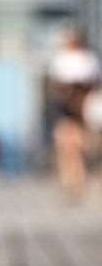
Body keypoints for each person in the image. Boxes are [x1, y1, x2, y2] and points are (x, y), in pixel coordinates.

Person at [48, 27, 101, 200]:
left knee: (78, 146)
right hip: (66, 108)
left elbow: (93, 84)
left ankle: (77, 180)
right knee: (67, 146)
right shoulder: (62, 59)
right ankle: (71, 181)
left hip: (83, 108)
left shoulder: (87, 59)